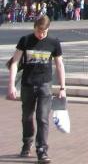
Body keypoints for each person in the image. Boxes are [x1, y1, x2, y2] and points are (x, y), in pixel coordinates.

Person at [6, 15, 66, 163]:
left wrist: (62, 87)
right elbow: (15, 63)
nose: (41, 35)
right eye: (39, 31)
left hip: (45, 85)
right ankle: (27, 142)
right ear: (34, 27)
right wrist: (11, 84)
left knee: (42, 118)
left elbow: (59, 65)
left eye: (44, 32)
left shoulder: (54, 42)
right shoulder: (25, 40)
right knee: (27, 117)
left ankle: (42, 150)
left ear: (48, 29)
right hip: (27, 84)